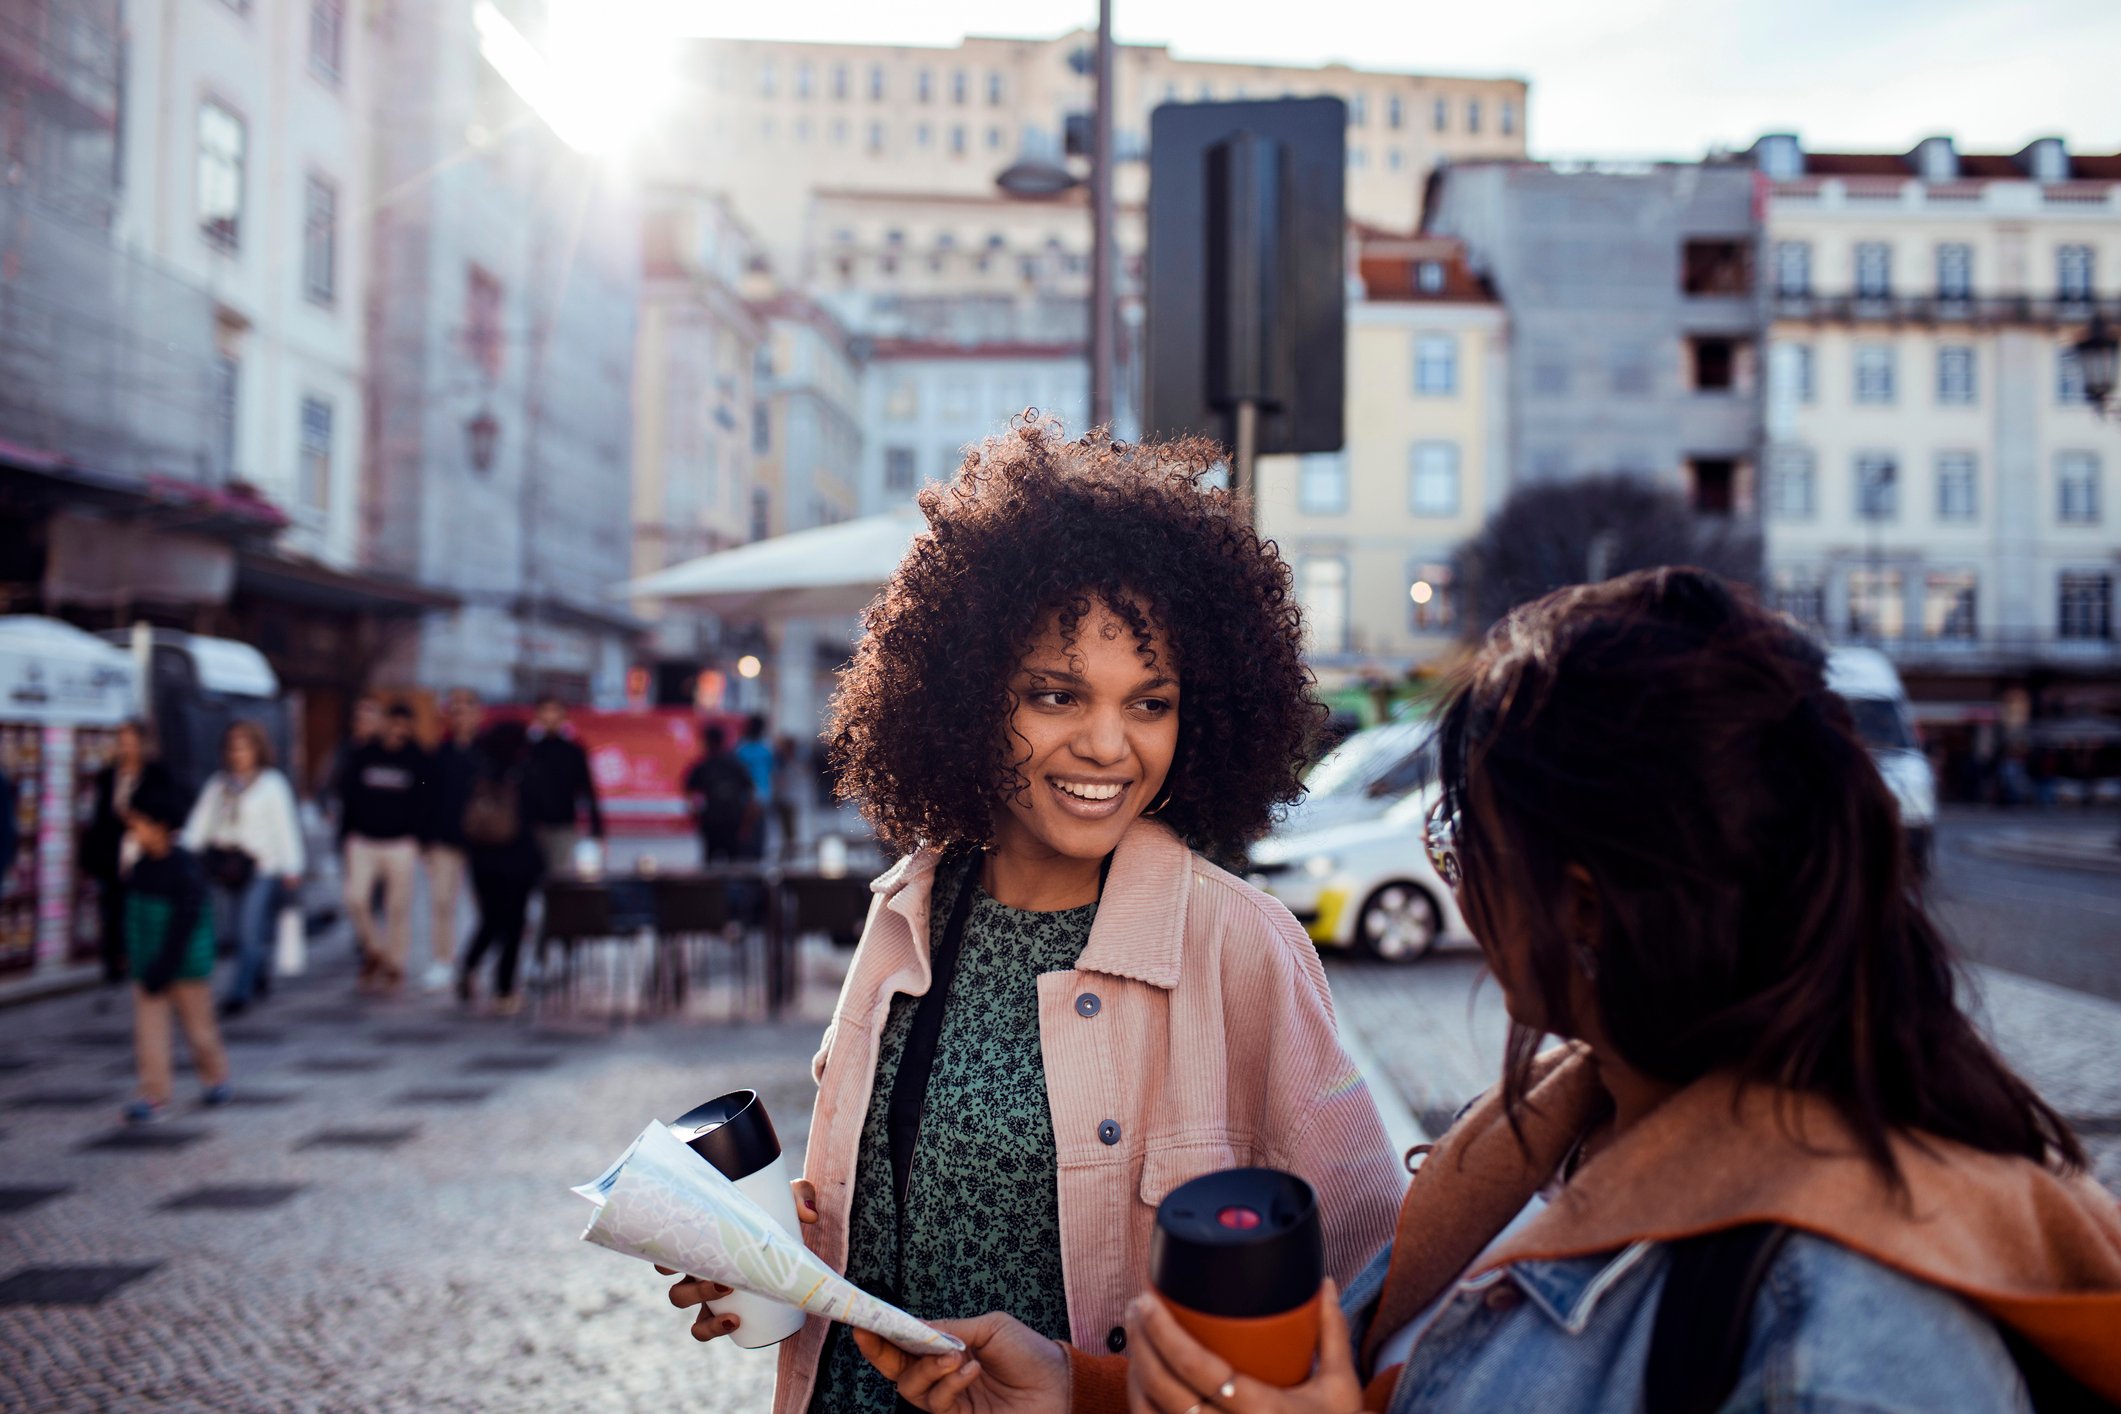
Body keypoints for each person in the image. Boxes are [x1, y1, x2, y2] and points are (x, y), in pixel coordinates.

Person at [872, 568, 2121, 1413]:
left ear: (1581, 904)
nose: (1458, 892)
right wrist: (1086, 1391)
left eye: (1469, 851)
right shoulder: (1551, 1136)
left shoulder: (1844, 1324)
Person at [657, 423, 1405, 1414]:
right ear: (968, 695)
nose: (1107, 744)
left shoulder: (1241, 945)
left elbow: (1376, 1288)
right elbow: (876, 1224)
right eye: (1057, 694)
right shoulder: (908, 910)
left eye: (1150, 702)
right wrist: (777, 1260)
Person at [121, 776, 232, 1124]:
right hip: (148, 966)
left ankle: (215, 1077)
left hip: (185, 965)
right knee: (149, 1034)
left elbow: (186, 924)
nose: (134, 832)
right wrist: (135, 957)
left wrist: (165, 963)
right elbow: (133, 916)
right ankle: (153, 1094)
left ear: (161, 826)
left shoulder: (185, 869)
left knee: (200, 1031)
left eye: (138, 825)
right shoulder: (139, 868)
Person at [183, 721, 303, 1018]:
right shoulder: (220, 784)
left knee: (250, 928)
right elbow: (200, 824)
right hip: (227, 867)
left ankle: (240, 992)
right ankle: (257, 970)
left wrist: (292, 866)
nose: (238, 753)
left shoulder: (272, 784)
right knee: (235, 931)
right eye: (233, 747)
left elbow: (285, 827)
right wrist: (183, 850)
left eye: (244, 747)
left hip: (262, 866)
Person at [337, 702, 428, 994]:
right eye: (394, 723)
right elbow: (348, 794)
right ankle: (375, 948)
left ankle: (395, 964)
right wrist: (347, 834)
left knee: (397, 908)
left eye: (404, 724)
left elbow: (427, 796)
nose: (397, 730)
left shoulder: (418, 758)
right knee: (355, 898)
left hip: (401, 842)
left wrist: (420, 837)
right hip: (364, 840)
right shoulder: (365, 754)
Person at [456, 719, 543, 1017]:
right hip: (517, 862)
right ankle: (504, 990)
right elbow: (537, 813)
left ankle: (468, 966)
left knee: (490, 922)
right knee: (514, 926)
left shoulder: (475, 771)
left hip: (483, 861)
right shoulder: (523, 773)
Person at [82, 720, 176, 986]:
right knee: (112, 907)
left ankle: (141, 958)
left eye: (131, 741)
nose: (126, 748)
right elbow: (99, 816)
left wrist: (140, 819)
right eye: (122, 741)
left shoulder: (157, 774)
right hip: (113, 852)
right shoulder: (110, 775)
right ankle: (114, 963)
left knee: (142, 905)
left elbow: (168, 809)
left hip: (143, 848)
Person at [425, 689, 484, 990]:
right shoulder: (440, 754)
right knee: (442, 902)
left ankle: (476, 962)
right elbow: (425, 794)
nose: (460, 716)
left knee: (485, 906)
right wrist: (427, 839)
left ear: (478, 714)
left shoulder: (487, 752)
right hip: (444, 841)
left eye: (466, 709)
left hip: (481, 842)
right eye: (455, 710)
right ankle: (442, 960)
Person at [521, 696, 602, 875]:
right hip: (531, 827)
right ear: (537, 716)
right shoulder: (526, 751)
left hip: (563, 826)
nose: (550, 716)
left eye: (554, 711)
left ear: (564, 716)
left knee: (558, 880)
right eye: (545, 711)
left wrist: (597, 828)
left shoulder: (573, 751)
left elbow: (587, 789)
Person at [684, 723, 754, 865]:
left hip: (712, 821)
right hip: (733, 820)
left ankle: (711, 888)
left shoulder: (703, 765)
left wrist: (695, 812)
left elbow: (689, 790)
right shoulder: (735, 763)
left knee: (710, 865)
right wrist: (747, 820)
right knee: (733, 864)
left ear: (707, 741)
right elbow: (750, 792)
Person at [733, 714, 776, 858]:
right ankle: (757, 855)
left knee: (746, 828)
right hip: (762, 793)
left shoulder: (741, 749)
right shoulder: (766, 749)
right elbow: (772, 771)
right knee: (758, 828)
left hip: (746, 795)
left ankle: (747, 855)